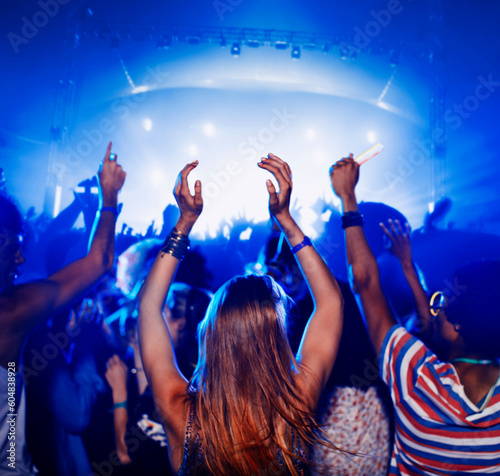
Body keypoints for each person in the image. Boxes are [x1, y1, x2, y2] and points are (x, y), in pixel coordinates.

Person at [138, 154, 344, 475]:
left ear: (211, 332)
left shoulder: (182, 415)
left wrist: (185, 222)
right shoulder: (296, 406)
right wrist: (286, 221)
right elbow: (331, 301)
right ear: (277, 334)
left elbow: (149, 306)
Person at [330, 154, 500, 475]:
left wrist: (347, 199)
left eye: (442, 304)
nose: (433, 311)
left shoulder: (414, 375)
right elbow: (429, 324)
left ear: (458, 327)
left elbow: (365, 283)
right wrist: (407, 265)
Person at [0, 143, 126, 473]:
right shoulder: (12, 313)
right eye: (13, 249)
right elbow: (98, 261)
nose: (21, 259)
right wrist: (108, 197)